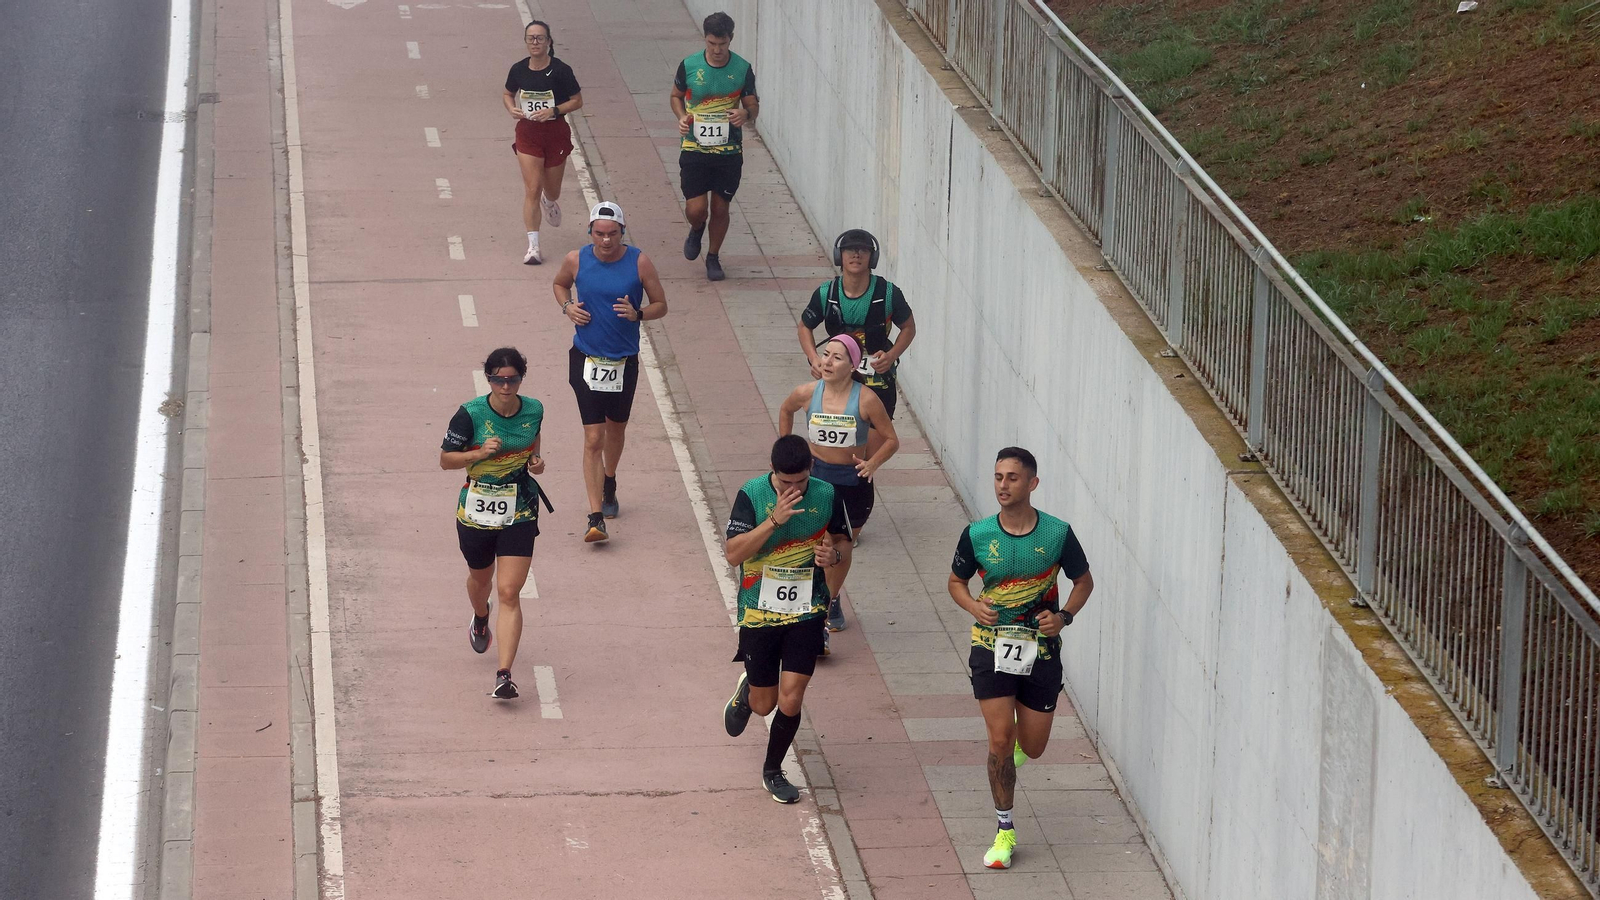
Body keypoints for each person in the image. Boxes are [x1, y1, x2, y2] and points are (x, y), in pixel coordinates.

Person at [947, 447, 1093, 870]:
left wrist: (1063, 617)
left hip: (1040, 650)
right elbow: (955, 582)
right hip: (990, 645)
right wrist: (974, 606)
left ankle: (1018, 741)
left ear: (1032, 483)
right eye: (998, 477)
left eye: (1012, 478)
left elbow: (1084, 582)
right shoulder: (977, 534)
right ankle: (1004, 831)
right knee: (999, 740)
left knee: (1033, 746)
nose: (1003, 485)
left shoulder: (1057, 533)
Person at [721, 435, 852, 803]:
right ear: (772, 471)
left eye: (800, 482)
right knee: (765, 704)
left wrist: (833, 559)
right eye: (784, 483)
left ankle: (773, 771)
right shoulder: (752, 494)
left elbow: (843, 543)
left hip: (806, 610)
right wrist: (773, 521)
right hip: (759, 611)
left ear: (811, 468)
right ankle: (749, 691)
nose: (793, 490)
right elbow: (733, 554)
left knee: (792, 698)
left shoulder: (827, 494)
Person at [552, 201, 668, 542]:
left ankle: (610, 479)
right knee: (593, 437)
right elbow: (559, 284)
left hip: (623, 362)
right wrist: (567, 306)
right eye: (600, 234)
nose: (606, 241)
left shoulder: (639, 262)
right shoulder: (575, 259)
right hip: (585, 359)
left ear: (622, 232)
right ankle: (595, 517)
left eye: (612, 234)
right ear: (590, 232)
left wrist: (638, 314)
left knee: (616, 429)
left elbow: (661, 304)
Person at [439, 347, 550, 700]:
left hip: (520, 507)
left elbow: (533, 438)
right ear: (488, 379)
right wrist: (477, 453)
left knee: (509, 592)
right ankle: (480, 615)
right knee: (481, 580)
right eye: (499, 380)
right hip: (477, 509)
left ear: (521, 379)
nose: (505, 386)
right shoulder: (470, 414)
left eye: (512, 380)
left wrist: (535, 460)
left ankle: (504, 675)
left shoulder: (534, 409)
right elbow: (445, 460)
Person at [777, 335, 898, 640]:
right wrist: (786, 447)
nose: (827, 362)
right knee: (821, 544)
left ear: (853, 365)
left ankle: (830, 598)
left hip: (852, 484)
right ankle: (822, 608)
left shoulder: (866, 399)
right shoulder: (807, 392)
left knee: (842, 546)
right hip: (817, 479)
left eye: (837, 357)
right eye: (825, 354)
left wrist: (872, 464)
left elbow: (892, 440)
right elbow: (786, 410)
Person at [669, 11, 758, 282]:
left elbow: (752, 104)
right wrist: (682, 117)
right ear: (705, 39)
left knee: (721, 208)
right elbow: (675, 96)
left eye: (722, 44)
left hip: (728, 151)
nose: (717, 50)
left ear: (731, 39)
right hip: (694, 148)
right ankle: (697, 228)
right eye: (711, 44)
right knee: (697, 209)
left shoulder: (742, 68)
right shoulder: (689, 65)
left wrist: (745, 114)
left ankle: (713, 256)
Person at [503, 19, 582, 265]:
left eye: (540, 38)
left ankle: (550, 201)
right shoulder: (518, 69)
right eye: (531, 38)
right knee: (532, 189)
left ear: (549, 41)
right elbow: (507, 93)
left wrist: (554, 111)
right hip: (528, 134)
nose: (535, 42)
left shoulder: (561, 70)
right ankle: (533, 247)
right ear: (526, 42)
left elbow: (577, 100)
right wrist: (512, 108)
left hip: (555, 133)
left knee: (552, 190)